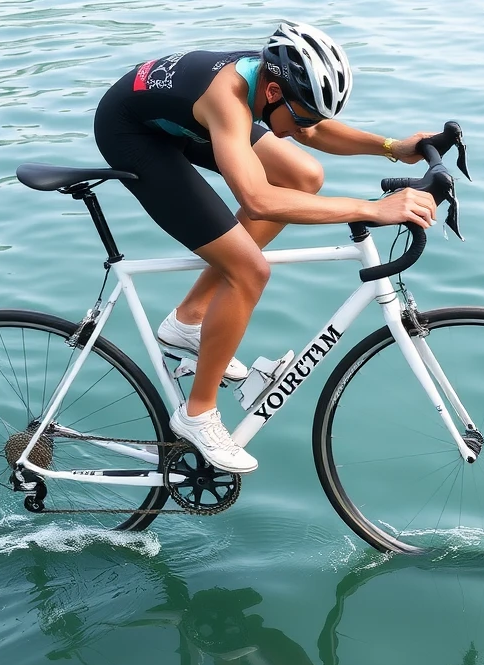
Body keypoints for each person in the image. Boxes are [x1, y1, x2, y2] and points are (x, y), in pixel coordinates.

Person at [94, 21, 438, 473]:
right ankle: (196, 414)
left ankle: (186, 321)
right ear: (274, 94)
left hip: (182, 119)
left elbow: (312, 132)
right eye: (304, 115)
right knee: (249, 271)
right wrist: (373, 208)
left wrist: (394, 147)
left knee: (304, 176)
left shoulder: (273, 81)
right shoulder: (229, 98)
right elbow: (256, 199)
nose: (306, 127)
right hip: (134, 134)